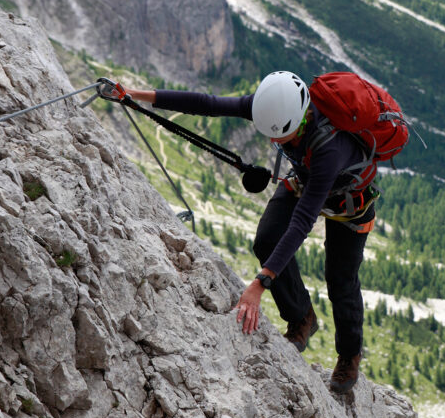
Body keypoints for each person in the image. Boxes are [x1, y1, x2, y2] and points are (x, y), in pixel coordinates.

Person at [123, 71, 376, 393]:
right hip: (304, 180)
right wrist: (134, 94)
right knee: (267, 240)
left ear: (300, 121)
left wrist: (261, 282)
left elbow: (302, 222)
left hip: (350, 202)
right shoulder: (274, 106)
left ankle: (350, 355)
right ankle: (302, 318)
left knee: (340, 280)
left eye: (281, 138)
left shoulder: (329, 149)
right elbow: (208, 104)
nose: (275, 143)